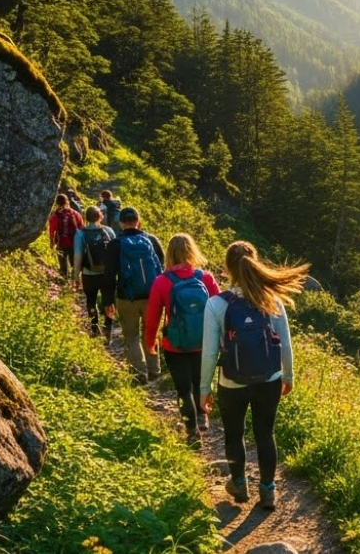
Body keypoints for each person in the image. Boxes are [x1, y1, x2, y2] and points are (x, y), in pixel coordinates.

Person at [200, 241, 307, 510]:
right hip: (269, 379)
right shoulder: (272, 300)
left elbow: (210, 353)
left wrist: (204, 388)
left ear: (227, 269)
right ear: (256, 264)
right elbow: (285, 344)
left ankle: (239, 484)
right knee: (265, 434)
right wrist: (288, 376)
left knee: (234, 434)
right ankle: (268, 492)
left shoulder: (216, 304)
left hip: (231, 382)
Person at [144, 234, 221, 441]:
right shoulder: (205, 278)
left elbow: (153, 317)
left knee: (183, 389)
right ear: (192, 251)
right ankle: (202, 415)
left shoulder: (162, 281)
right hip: (204, 342)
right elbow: (221, 309)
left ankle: (191, 431)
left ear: (169, 254)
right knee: (200, 382)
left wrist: (150, 342)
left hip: (175, 345)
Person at [103, 207, 165, 383]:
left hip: (126, 297)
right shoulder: (151, 240)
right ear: (138, 221)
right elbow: (161, 266)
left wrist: (108, 301)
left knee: (131, 336)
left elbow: (109, 275)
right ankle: (154, 370)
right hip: (152, 297)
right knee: (150, 332)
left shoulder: (115, 244)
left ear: (121, 223)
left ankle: (139, 373)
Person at [74, 206, 117, 338]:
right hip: (107, 274)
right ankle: (108, 330)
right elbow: (115, 252)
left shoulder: (80, 234)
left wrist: (76, 276)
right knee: (109, 301)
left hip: (89, 274)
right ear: (100, 216)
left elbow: (78, 256)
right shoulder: (108, 231)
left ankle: (94, 329)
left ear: (86, 217)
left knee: (91, 301)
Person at [47, 194, 84, 278]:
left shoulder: (56, 216)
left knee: (63, 266)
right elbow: (81, 228)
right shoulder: (75, 214)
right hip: (74, 243)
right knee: (74, 264)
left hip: (61, 243)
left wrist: (52, 242)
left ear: (56, 203)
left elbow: (52, 230)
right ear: (67, 201)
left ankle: (64, 279)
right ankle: (76, 280)